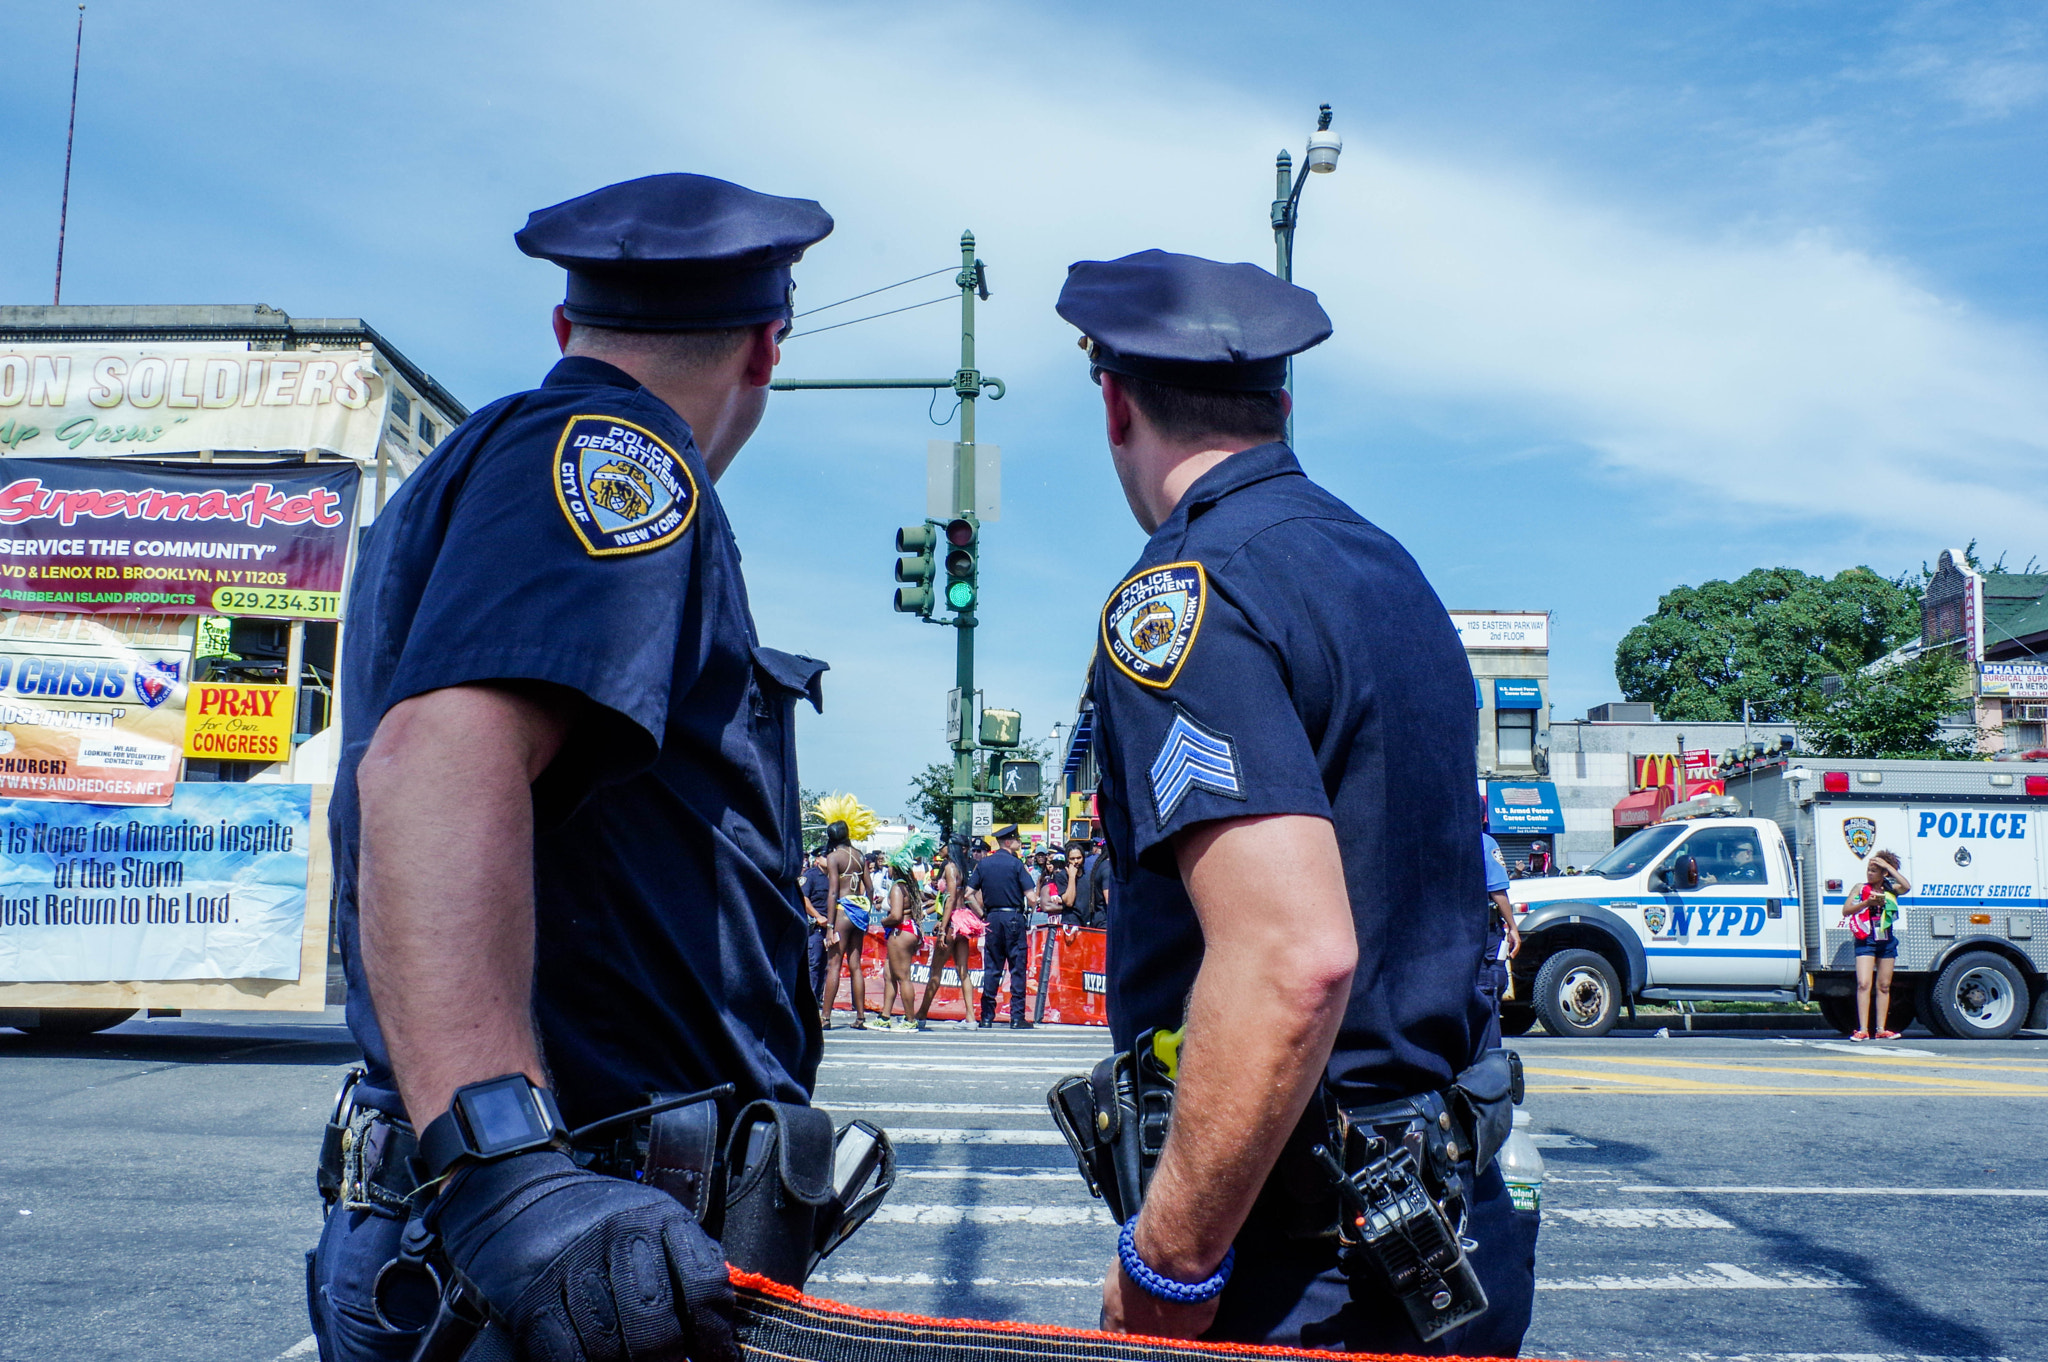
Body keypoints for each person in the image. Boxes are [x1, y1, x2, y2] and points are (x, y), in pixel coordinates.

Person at [311, 173, 833, 1362]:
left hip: (563, 1247)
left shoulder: (484, 465)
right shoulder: (619, 454)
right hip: (567, 1261)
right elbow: (436, 759)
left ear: (566, 328)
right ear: (766, 348)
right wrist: (506, 1167)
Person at [1057, 250, 1532, 1355]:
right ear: (1279, 401)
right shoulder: (1383, 569)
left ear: (1114, 403)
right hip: (1447, 1223)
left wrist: (1167, 1271)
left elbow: (1292, 960)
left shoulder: (1186, 592)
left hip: (1301, 1257)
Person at [968, 824, 1036, 1028]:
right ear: (1008, 842)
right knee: (1017, 968)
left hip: (992, 918)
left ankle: (986, 1016)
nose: (1018, 843)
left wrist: (982, 914)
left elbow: (968, 894)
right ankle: (1017, 1017)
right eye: (1016, 839)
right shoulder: (1017, 865)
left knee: (992, 968)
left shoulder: (984, 865)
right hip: (1013, 918)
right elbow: (1031, 898)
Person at [816, 807, 875, 1029]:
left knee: (833, 964)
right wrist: (865, 911)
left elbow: (833, 892)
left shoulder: (834, 858)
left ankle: (826, 1018)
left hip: (841, 911)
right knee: (855, 965)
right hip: (858, 911)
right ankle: (860, 1017)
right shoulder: (860, 856)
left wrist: (830, 927)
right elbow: (869, 888)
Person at [914, 838, 982, 1031]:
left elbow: (950, 899)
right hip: (963, 920)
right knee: (963, 971)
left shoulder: (951, 868)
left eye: (942, 845)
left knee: (936, 971)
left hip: (952, 921)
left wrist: (943, 929)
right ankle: (970, 1018)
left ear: (950, 847)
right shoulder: (962, 867)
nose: (939, 849)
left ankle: (921, 1015)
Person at [1842, 849, 1912, 1040]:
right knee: (1864, 983)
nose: (1869, 873)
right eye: (1869, 869)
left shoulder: (1891, 889)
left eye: (1874, 870)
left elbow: (1907, 886)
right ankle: (1863, 1029)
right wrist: (1866, 903)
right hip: (1866, 939)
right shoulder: (1860, 888)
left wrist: (1888, 867)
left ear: (1883, 873)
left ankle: (1881, 1029)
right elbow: (1846, 910)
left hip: (1886, 938)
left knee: (1884, 986)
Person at [878, 834, 936, 1029]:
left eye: (890, 865)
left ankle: (910, 1019)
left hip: (900, 931)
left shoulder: (897, 888)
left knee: (903, 977)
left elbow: (895, 915)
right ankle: (885, 1016)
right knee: (889, 974)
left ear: (896, 868)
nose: (888, 868)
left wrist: (883, 921)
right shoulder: (908, 887)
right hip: (909, 929)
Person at [1478, 830, 1522, 1050]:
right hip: (1482, 931)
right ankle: (1489, 1056)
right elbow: (1497, 890)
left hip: (1445, 933)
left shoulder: (1438, 838)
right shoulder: (1484, 842)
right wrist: (1513, 927)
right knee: (1488, 988)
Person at [800, 846, 834, 1004]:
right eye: (826, 856)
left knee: (827, 965)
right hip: (815, 926)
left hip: (831, 927)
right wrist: (818, 916)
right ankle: (810, 999)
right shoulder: (811, 876)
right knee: (814, 963)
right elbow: (804, 899)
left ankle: (819, 997)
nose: (829, 859)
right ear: (818, 859)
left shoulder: (835, 876)